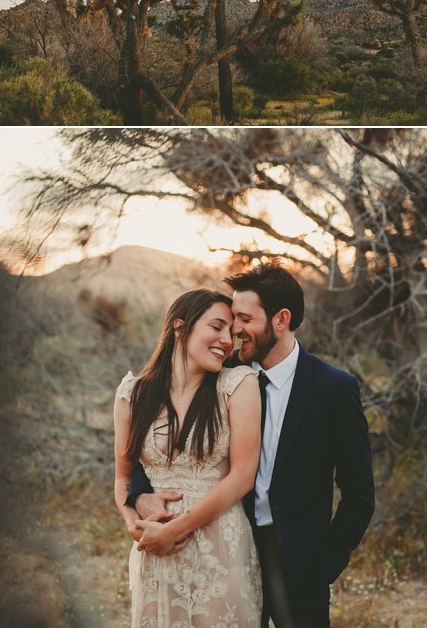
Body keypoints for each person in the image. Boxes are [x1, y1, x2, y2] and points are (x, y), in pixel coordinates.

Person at [127, 266, 375, 628]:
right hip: (224, 543)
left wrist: (325, 564)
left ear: (281, 320)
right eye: (229, 321)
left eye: (244, 319)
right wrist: (139, 494)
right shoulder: (220, 374)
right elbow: (155, 439)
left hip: (296, 555)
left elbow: (359, 494)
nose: (233, 332)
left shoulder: (333, 388)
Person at [114, 289, 263, 628]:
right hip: (156, 550)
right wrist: (133, 526)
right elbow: (123, 477)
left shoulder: (237, 384)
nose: (227, 340)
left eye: (232, 332)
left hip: (219, 545)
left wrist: (177, 528)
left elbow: (242, 476)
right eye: (217, 327)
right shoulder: (132, 395)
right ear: (180, 328)